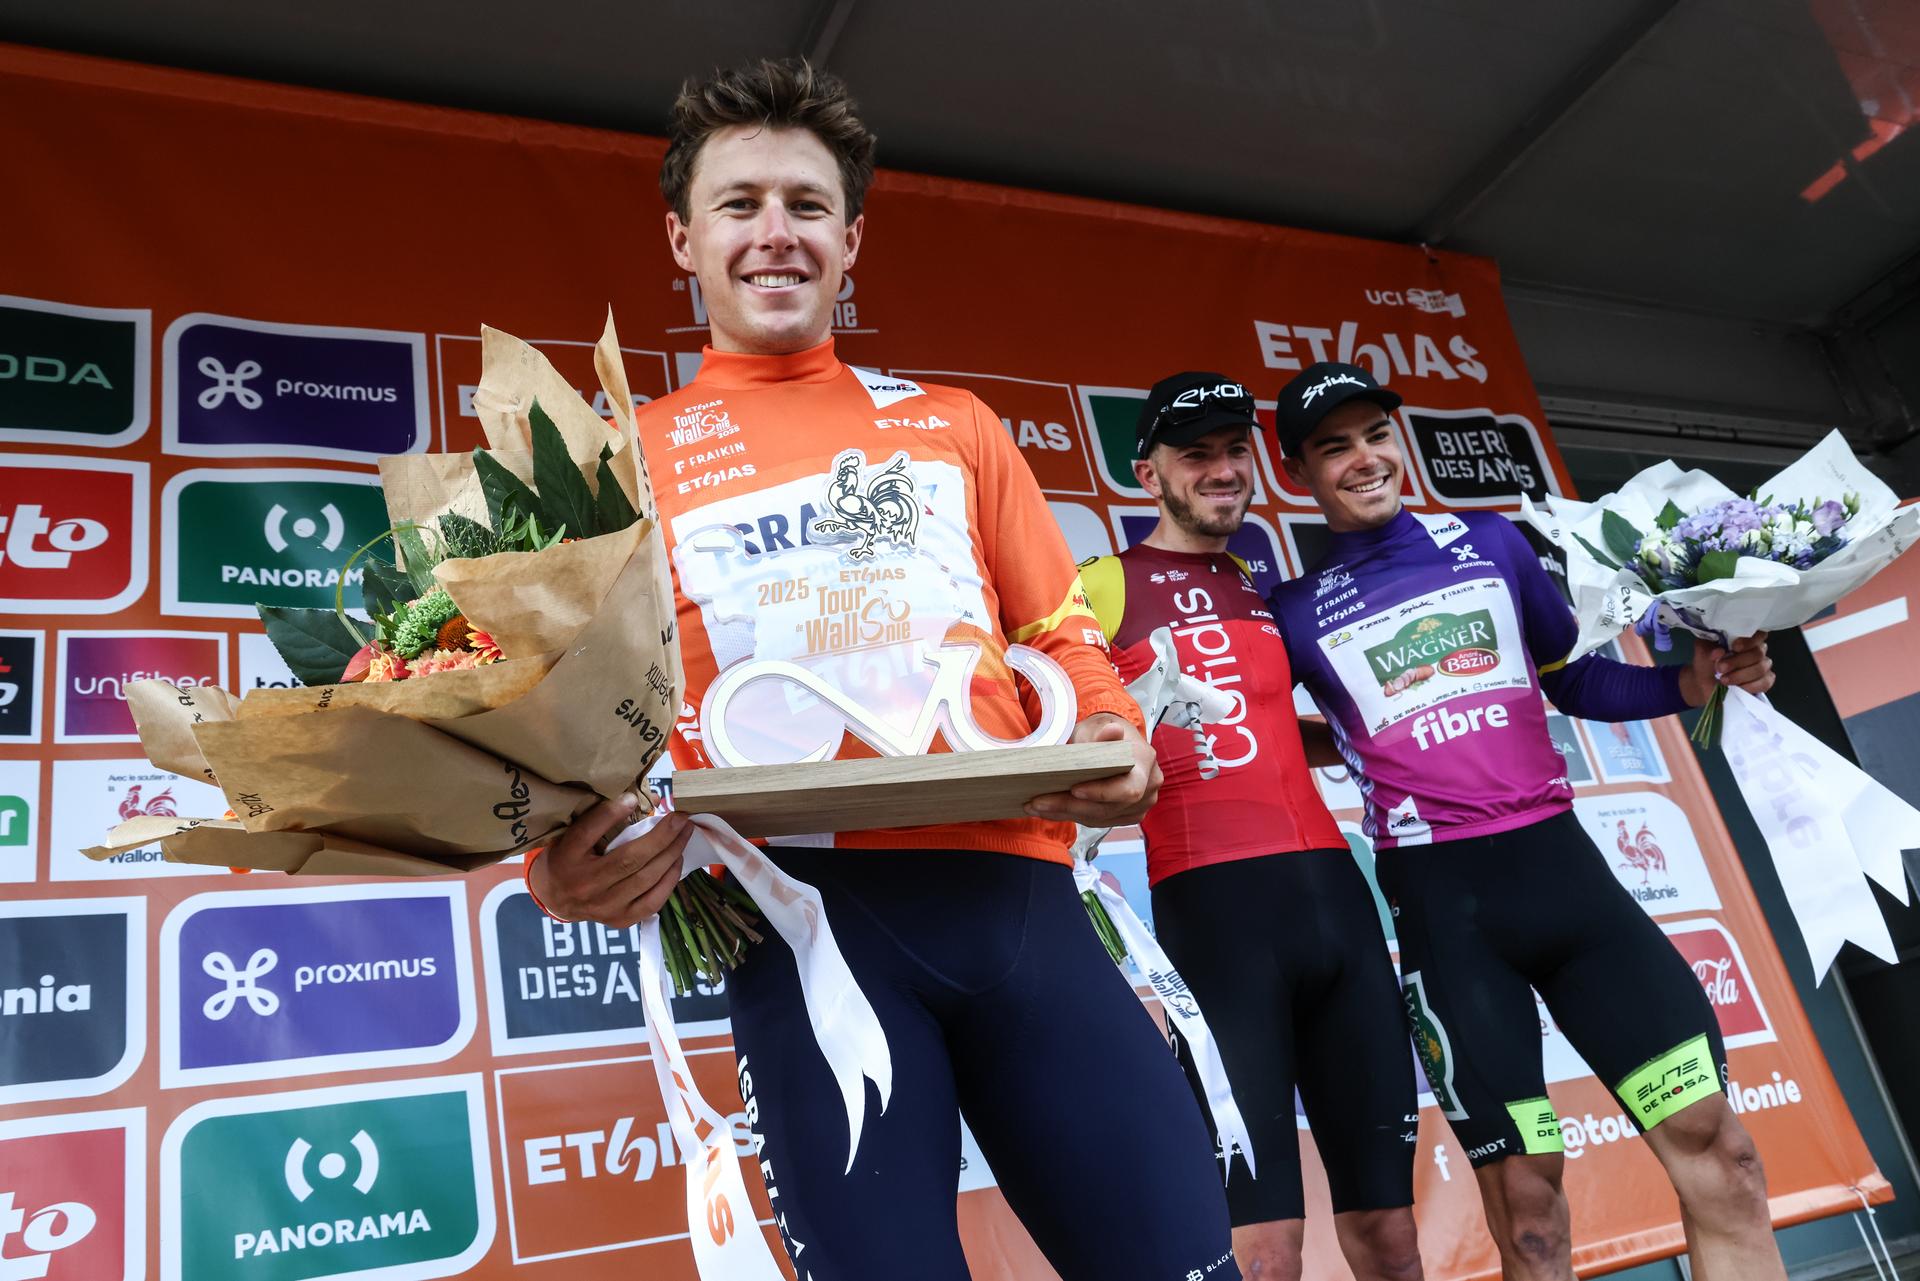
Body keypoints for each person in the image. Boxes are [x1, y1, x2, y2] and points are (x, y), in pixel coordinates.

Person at [524, 58, 1239, 1281]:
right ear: (680, 240)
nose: (774, 234)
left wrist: (1117, 737)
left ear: (851, 241)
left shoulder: (955, 424)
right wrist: (555, 858)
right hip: (795, 927)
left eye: (806, 206)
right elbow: (562, 726)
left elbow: (1062, 638)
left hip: (1019, 904)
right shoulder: (612, 462)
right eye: (738, 204)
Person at [1264, 361, 1786, 1281]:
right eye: (1333, 446)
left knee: (1725, 1159)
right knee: (1531, 1216)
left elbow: (1571, 674)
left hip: (1569, 884)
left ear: (1399, 439)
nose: (1365, 458)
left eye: (1376, 433)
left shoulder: (1492, 545)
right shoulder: (1294, 614)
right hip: (1447, 917)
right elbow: (1266, 731)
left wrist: (1690, 683)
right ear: (1299, 473)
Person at [1080, 372, 1425, 1281]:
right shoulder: (1100, 585)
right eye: (1196, 454)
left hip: (1340, 915)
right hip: (1218, 924)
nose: (1223, 470)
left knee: (1391, 1233)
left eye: (1236, 451)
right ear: (1146, 471)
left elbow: (1277, 725)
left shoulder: (1258, 582)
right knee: (1265, 1253)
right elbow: (1055, 727)